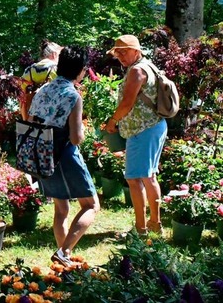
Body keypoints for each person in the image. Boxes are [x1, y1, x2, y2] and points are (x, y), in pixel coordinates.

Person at [28, 45, 100, 266]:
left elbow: (30, 123)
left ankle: (63, 260)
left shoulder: (42, 91)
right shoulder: (73, 95)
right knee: (91, 205)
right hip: (64, 154)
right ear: (80, 71)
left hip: (42, 155)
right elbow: (76, 138)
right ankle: (65, 251)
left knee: (62, 208)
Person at [105, 35, 167, 235]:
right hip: (152, 127)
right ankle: (154, 224)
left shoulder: (137, 70)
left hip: (143, 130)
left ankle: (142, 229)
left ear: (136, 50)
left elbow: (127, 103)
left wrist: (112, 121)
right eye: (118, 52)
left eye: (124, 51)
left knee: (135, 179)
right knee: (149, 177)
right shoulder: (148, 66)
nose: (120, 55)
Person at [20, 40, 63, 120]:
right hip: (50, 119)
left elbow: (21, 95)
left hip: (30, 118)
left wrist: (24, 118)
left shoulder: (29, 70)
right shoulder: (55, 70)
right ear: (54, 54)